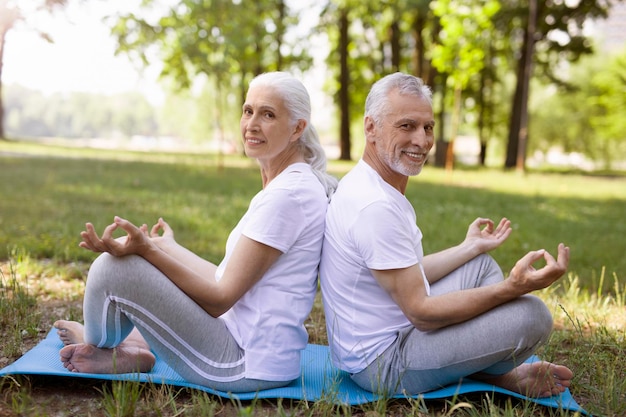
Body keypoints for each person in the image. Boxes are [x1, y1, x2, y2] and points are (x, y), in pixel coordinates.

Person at [54, 71, 337, 392]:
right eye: (248, 111)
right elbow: (224, 278)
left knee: (112, 268)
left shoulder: (288, 196)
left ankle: (100, 345)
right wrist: (163, 247)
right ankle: (135, 348)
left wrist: (148, 251)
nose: (252, 124)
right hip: (253, 350)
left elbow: (219, 300)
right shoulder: (291, 186)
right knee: (132, 262)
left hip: (242, 363)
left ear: (298, 127)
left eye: (268, 114)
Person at [319, 72, 574, 399]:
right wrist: (511, 288)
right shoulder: (374, 207)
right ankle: (497, 374)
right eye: (406, 126)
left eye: (428, 128)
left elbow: (408, 271)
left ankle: (481, 367)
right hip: (382, 366)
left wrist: (469, 247)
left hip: (397, 329)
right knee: (533, 316)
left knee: (478, 264)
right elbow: (421, 313)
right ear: (371, 128)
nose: (422, 141)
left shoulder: (371, 184)